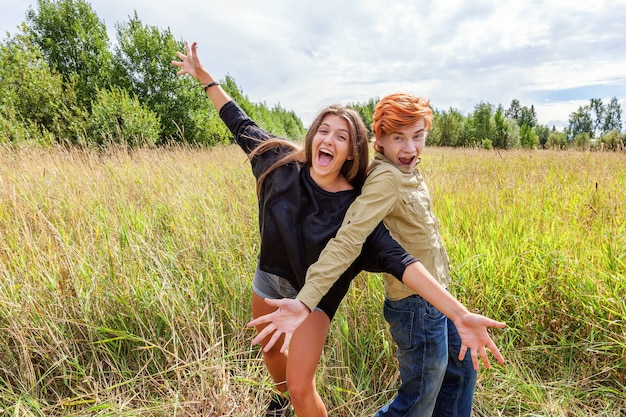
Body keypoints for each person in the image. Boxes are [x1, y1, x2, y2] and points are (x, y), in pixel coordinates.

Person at [173, 42, 504, 417]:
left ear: (353, 151)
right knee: (273, 360)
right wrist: (204, 78)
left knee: (301, 386)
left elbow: (403, 262)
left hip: (315, 298)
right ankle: (280, 403)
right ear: (313, 136)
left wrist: (459, 314)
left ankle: (293, 399)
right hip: (269, 282)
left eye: (341, 136)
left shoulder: (354, 209)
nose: (329, 140)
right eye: (324, 131)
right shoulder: (278, 163)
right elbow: (237, 120)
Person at [250, 93, 505, 416]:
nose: (410, 148)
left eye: (418, 136)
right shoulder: (385, 179)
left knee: (461, 373)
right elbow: (350, 240)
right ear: (379, 139)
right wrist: (305, 301)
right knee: (418, 399)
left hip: (437, 295)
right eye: (398, 138)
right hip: (416, 303)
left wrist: (458, 312)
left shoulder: (406, 170)